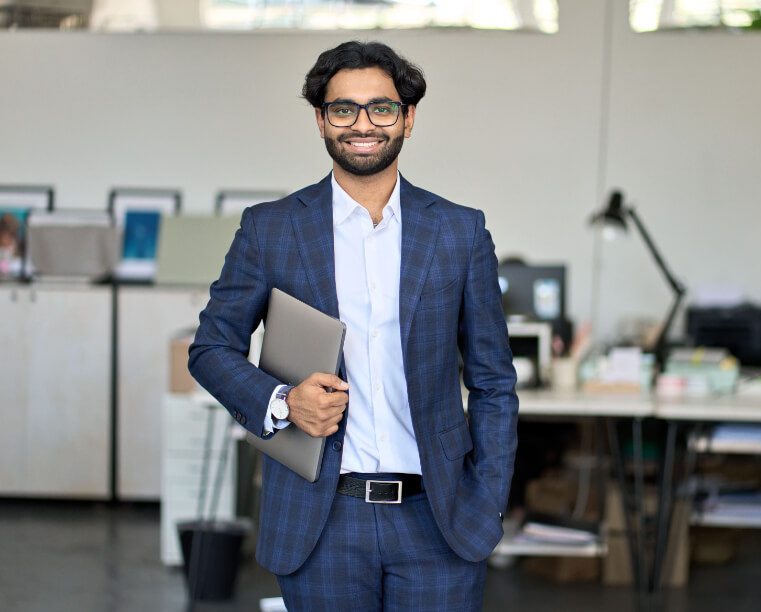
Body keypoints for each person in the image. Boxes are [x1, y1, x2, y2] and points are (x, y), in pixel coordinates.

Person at [188, 40, 518, 611]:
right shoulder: (270, 230)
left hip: (438, 520)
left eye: (381, 108)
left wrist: (486, 500)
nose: (362, 124)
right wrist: (284, 401)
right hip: (321, 521)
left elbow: (494, 383)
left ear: (407, 119)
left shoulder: (460, 234)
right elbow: (211, 347)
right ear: (320, 119)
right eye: (343, 108)